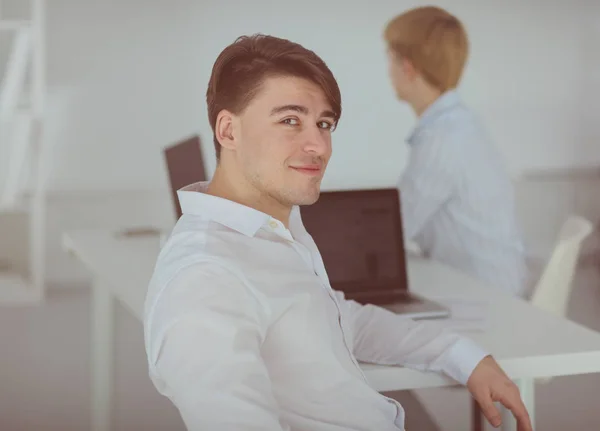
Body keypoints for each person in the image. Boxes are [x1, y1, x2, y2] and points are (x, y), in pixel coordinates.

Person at [143, 34, 532, 431]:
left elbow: (340, 318)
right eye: (290, 120)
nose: (319, 145)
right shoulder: (205, 278)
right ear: (228, 131)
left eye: (324, 124)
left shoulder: (276, 227)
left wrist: (463, 356)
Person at [384, 6, 529, 297]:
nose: (388, 72)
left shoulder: (443, 138)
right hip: (488, 287)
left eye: (389, 60)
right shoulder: (457, 126)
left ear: (407, 67)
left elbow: (393, 229)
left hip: (487, 300)